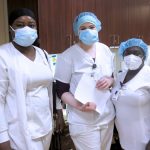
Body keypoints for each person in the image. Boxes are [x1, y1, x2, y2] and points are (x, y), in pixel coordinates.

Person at [0, 8, 63, 150]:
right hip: (18, 130)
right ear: (11, 28)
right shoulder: (3, 55)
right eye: (20, 25)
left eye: (31, 25)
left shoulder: (43, 54)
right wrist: (2, 137)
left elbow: (50, 85)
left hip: (45, 127)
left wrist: (58, 111)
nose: (26, 28)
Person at [55, 12, 115, 150]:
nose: (88, 30)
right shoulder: (67, 56)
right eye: (83, 28)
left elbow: (112, 77)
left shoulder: (105, 50)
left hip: (107, 115)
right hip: (82, 119)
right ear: (77, 31)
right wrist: (79, 105)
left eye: (91, 26)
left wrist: (110, 80)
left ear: (98, 28)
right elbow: (61, 91)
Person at [111, 38, 150, 150]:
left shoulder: (148, 75)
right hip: (124, 138)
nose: (131, 56)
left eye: (136, 53)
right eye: (128, 53)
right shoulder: (120, 76)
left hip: (144, 139)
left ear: (143, 55)